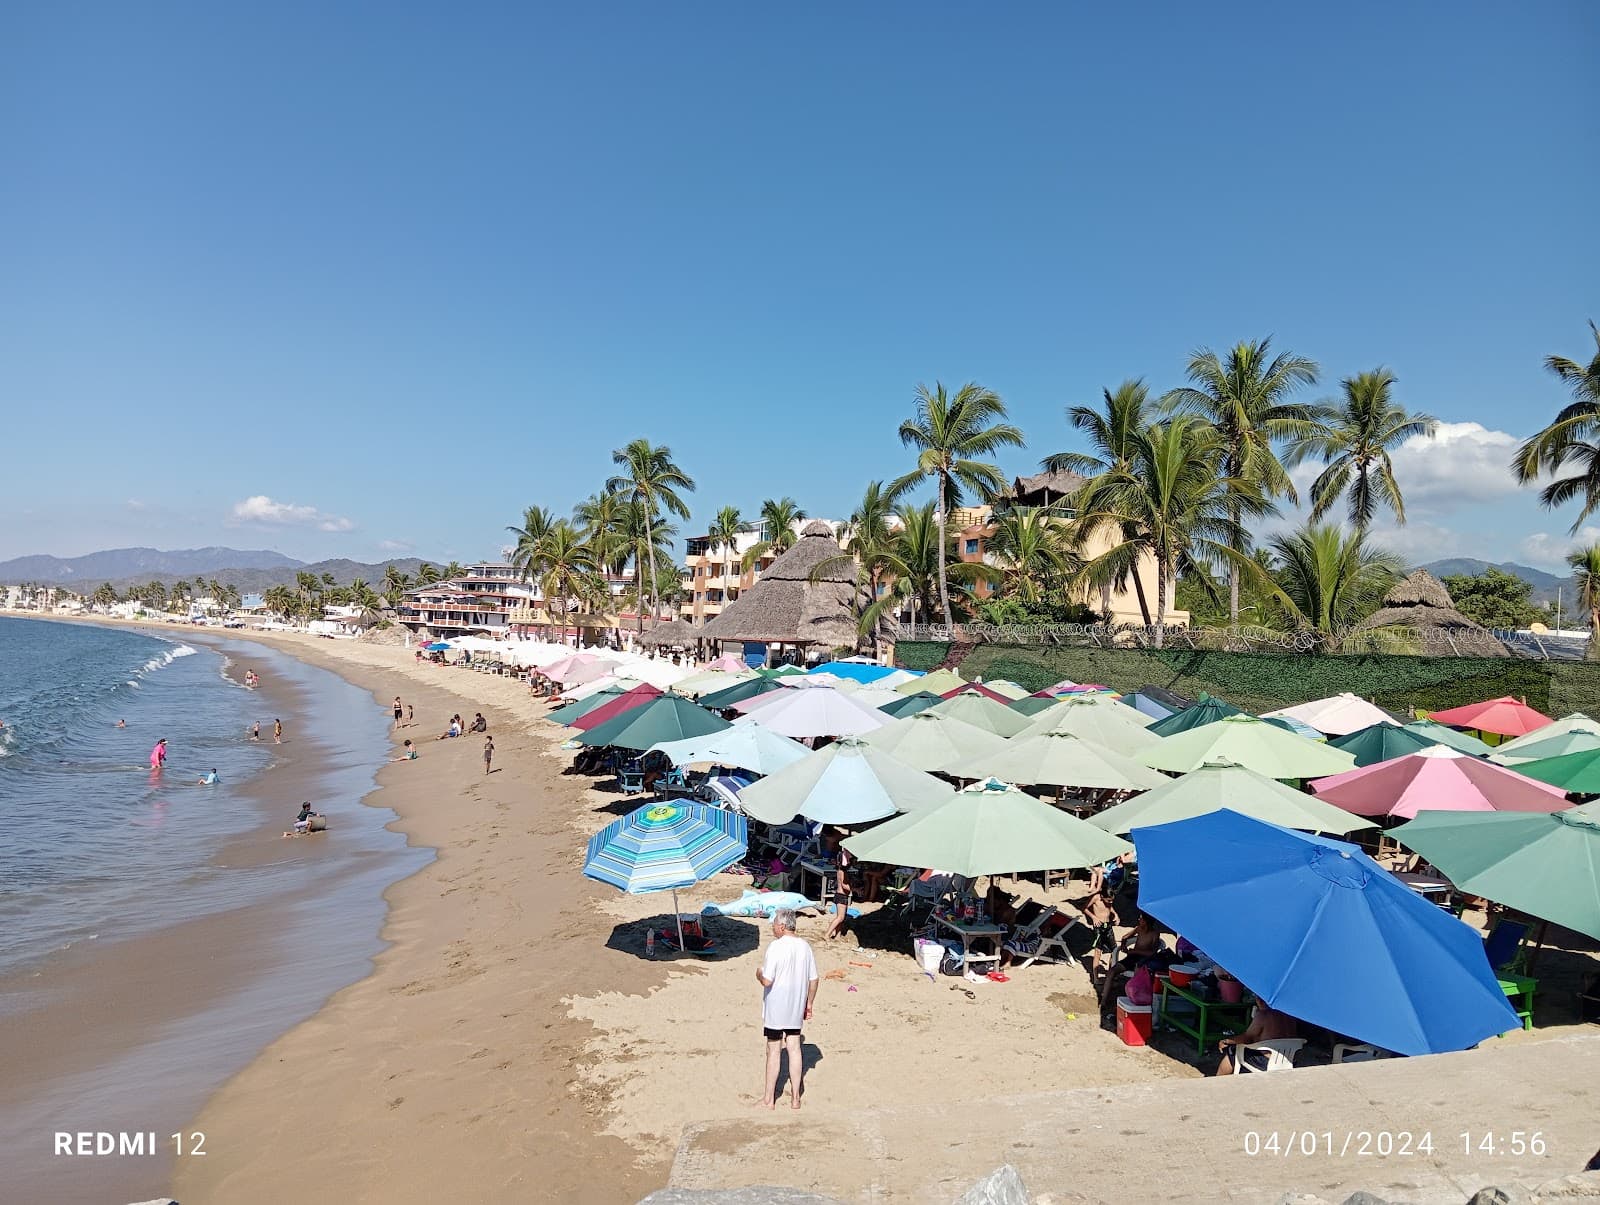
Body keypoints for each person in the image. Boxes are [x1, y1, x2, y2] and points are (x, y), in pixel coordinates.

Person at [754, 909, 818, 1110]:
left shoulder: (776, 946)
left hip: (776, 1006)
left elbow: (767, 980)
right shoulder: (805, 947)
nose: (773, 928)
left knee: (773, 1050)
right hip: (795, 1005)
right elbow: (814, 979)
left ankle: (768, 1100)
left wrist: (758, 974)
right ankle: (795, 1098)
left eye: (774, 924)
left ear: (781, 926)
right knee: (794, 1048)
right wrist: (809, 1003)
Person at [1099, 912, 1164, 1010]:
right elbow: (1125, 937)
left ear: (1146, 922)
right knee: (1112, 971)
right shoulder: (1138, 929)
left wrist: (1136, 951)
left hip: (1144, 960)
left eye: (1141, 918)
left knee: (1137, 972)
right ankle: (1104, 1000)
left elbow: (1152, 953)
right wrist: (1124, 945)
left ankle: (1132, 999)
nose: (1139, 920)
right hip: (1132, 957)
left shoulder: (1154, 934)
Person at [1215, 1003, 1298, 1075]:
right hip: (1289, 1060)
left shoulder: (1264, 1015)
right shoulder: (1291, 1015)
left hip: (1266, 1062)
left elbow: (1247, 1038)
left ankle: (1218, 1081)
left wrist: (1227, 1041)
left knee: (1231, 1051)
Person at [1080, 890, 1120, 986]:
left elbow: (1110, 907)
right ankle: (1096, 978)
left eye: (1112, 901)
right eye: (1109, 900)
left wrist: (1116, 914)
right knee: (1098, 952)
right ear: (1102, 896)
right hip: (1098, 926)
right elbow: (1084, 908)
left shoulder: (1109, 902)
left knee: (1114, 951)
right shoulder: (1096, 898)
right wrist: (1093, 917)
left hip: (1108, 925)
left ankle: (1111, 974)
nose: (1110, 902)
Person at [823, 828, 854, 940]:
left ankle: (838, 934)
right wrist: (854, 889)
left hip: (839, 895)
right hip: (842, 896)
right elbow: (845, 885)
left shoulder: (839, 870)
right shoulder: (843, 872)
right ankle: (827, 934)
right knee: (840, 917)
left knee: (841, 917)